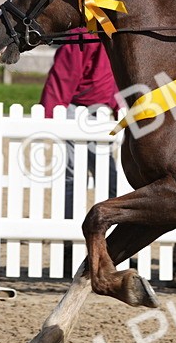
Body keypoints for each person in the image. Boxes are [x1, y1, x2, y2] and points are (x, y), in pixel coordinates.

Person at [39, 29, 120, 218]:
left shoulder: (114, 33)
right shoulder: (84, 34)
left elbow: (115, 77)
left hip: (100, 113)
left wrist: (120, 108)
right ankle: (69, 224)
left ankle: (111, 225)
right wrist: (50, 114)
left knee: (108, 175)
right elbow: (65, 73)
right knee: (72, 173)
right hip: (76, 110)